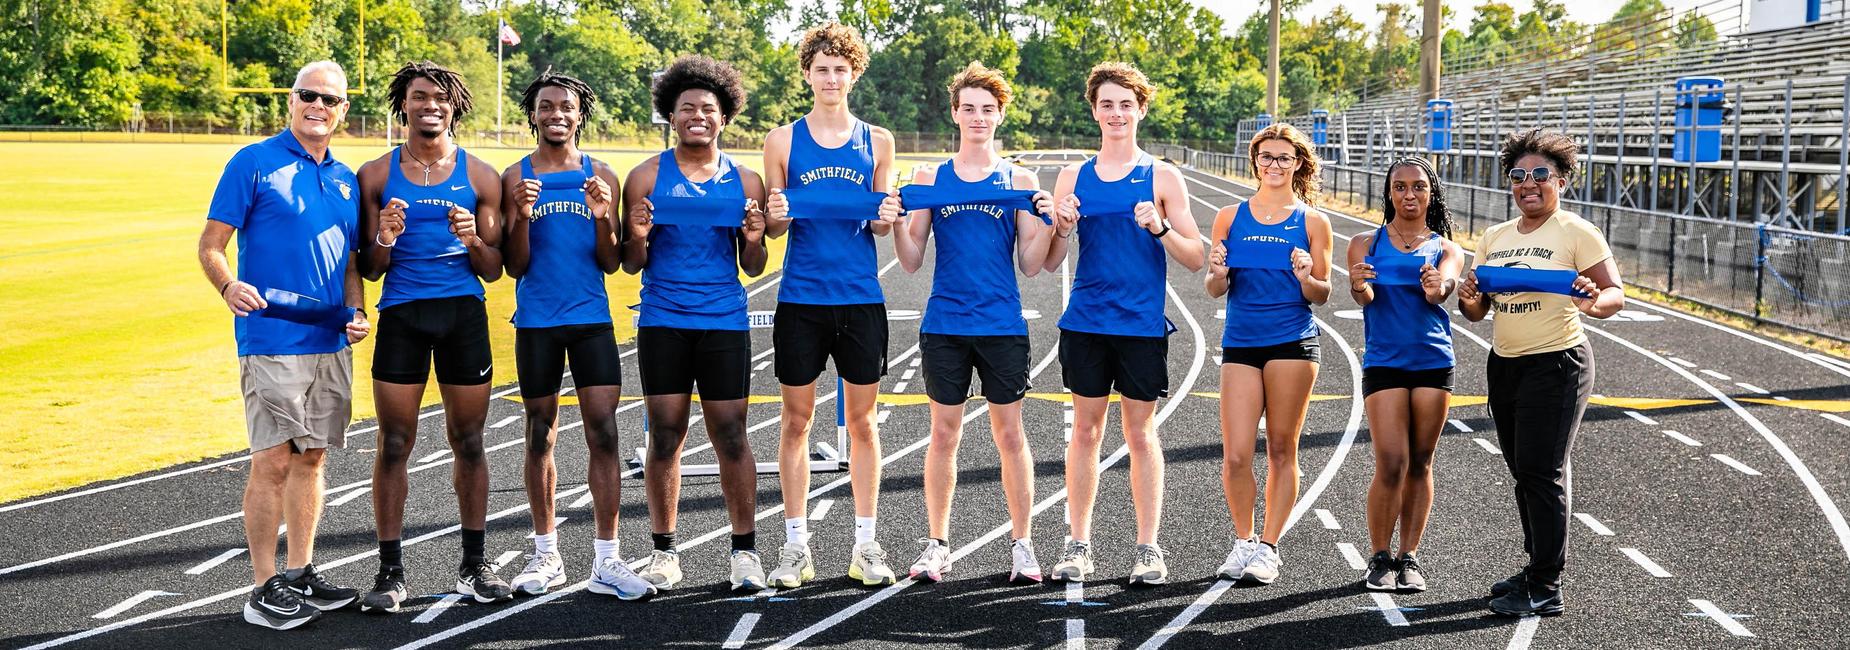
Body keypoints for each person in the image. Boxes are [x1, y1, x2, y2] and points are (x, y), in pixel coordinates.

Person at [198, 60, 368, 630]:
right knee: (272, 459)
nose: (318, 105)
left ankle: (300, 574)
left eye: (330, 99)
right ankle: (262, 587)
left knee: (312, 457)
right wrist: (227, 285)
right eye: (308, 95)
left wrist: (358, 309)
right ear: (290, 101)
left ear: (343, 110)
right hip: (270, 337)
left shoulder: (346, 178)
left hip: (329, 340)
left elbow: (349, 261)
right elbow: (211, 245)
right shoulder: (252, 162)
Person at [354, 61, 512, 613]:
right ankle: (390, 571)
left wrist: (472, 239)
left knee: (469, 441)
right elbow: (370, 267)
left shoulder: (481, 176)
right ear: (405, 104)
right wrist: (386, 236)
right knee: (394, 443)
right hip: (402, 315)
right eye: (420, 97)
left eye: (440, 99)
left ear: (455, 106)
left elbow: (494, 269)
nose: (430, 106)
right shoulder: (375, 175)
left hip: (462, 317)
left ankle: (475, 564)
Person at [889, 61, 1056, 584]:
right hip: (944, 324)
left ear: (999, 115)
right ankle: (938, 544)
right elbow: (912, 258)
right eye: (969, 108)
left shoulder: (1020, 180)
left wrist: (1050, 222)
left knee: (1011, 436)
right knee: (943, 434)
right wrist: (897, 221)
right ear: (955, 114)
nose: (977, 117)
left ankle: (1022, 545)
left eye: (987, 109)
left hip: (1002, 324)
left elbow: (1031, 264)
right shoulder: (929, 178)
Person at [1044, 62, 1205, 585]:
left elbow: (1196, 257)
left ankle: (1147, 549)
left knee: (1140, 433)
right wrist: (1062, 227)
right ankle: (1078, 544)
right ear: (1094, 110)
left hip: (1139, 325)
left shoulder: (1162, 175)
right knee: (1085, 432)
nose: (1116, 113)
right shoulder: (1073, 176)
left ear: (1140, 109)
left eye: (1125, 104)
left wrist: (1159, 227)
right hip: (1087, 321)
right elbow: (1050, 260)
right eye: (1106, 104)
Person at [499, 71, 654, 600]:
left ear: (579, 114)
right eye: (546, 106)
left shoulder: (600, 172)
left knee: (604, 433)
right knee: (540, 431)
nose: (556, 114)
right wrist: (519, 215)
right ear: (534, 114)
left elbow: (612, 263)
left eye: (566, 106)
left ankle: (607, 560)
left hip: (591, 321)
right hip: (537, 322)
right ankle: (546, 555)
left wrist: (603, 215)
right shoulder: (512, 176)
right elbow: (513, 267)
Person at [1459, 128, 1625, 617]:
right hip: (1504, 365)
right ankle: (1537, 566)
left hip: (1558, 363)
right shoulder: (1494, 237)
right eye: (1518, 175)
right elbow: (1477, 310)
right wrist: (1469, 298)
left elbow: (1614, 292)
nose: (1527, 183)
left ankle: (1546, 586)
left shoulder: (1576, 231)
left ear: (1562, 180)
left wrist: (1594, 303)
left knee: (1541, 470)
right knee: (1522, 472)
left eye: (1540, 175)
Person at [759, 21, 902, 589]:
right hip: (801, 297)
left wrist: (887, 216)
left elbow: (880, 223)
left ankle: (866, 544)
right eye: (821, 69)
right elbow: (771, 227)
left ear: (854, 74)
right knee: (796, 421)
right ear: (807, 74)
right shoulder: (782, 140)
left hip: (861, 297)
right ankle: (796, 546)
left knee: (863, 424)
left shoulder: (879, 140)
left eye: (841, 69)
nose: (831, 78)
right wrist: (776, 214)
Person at [623, 55, 772, 593]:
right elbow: (629, 261)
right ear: (670, 115)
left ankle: (744, 553)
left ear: (724, 116)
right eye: (686, 108)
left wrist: (753, 239)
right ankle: (664, 554)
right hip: (663, 319)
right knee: (665, 435)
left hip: (723, 321)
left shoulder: (745, 179)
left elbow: (751, 265)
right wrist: (637, 233)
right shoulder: (645, 175)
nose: (697, 117)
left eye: (708, 109)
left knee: (731, 434)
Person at [1205, 123, 1333, 586]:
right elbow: (1215, 287)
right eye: (1266, 156)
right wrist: (1217, 271)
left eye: (1284, 157)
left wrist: (1305, 276)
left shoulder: (1314, 221)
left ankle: (1270, 547)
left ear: (1298, 163)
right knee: (1237, 454)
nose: (1274, 165)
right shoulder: (1228, 216)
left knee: (1282, 448)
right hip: (1241, 341)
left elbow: (1322, 294)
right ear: (1254, 160)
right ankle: (1244, 540)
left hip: (1292, 343)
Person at [1345, 155, 1464, 593]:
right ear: (1389, 192)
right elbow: (1365, 297)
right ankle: (1379, 556)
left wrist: (1440, 286)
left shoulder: (1447, 248)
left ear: (1431, 193)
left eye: (1418, 187)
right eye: (1400, 187)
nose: (1409, 194)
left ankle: (1409, 556)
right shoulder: (1364, 242)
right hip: (1384, 360)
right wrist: (1358, 284)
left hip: (1433, 361)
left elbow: (1443, 290)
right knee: (1390, 461)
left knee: (1420, 461)